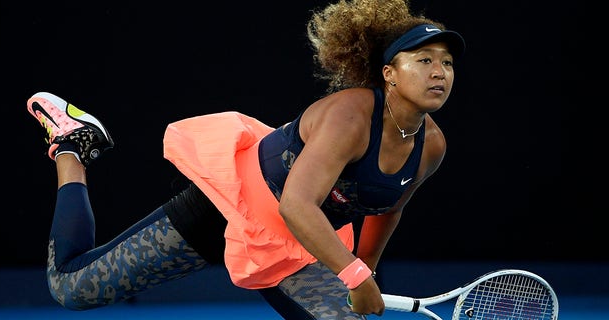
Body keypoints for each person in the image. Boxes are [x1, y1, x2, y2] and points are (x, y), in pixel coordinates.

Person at [26, 0, 465, 318]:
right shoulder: (349, 115)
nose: (439, 72)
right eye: (424, 60)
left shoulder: (432, 145)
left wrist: (366, 266)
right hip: (231, 206)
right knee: (72, 289)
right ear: (389, 73)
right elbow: (297, 204)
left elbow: (389, 206)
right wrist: (353, 276)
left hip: (300, 246)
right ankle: (74, 146)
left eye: (446, 63)